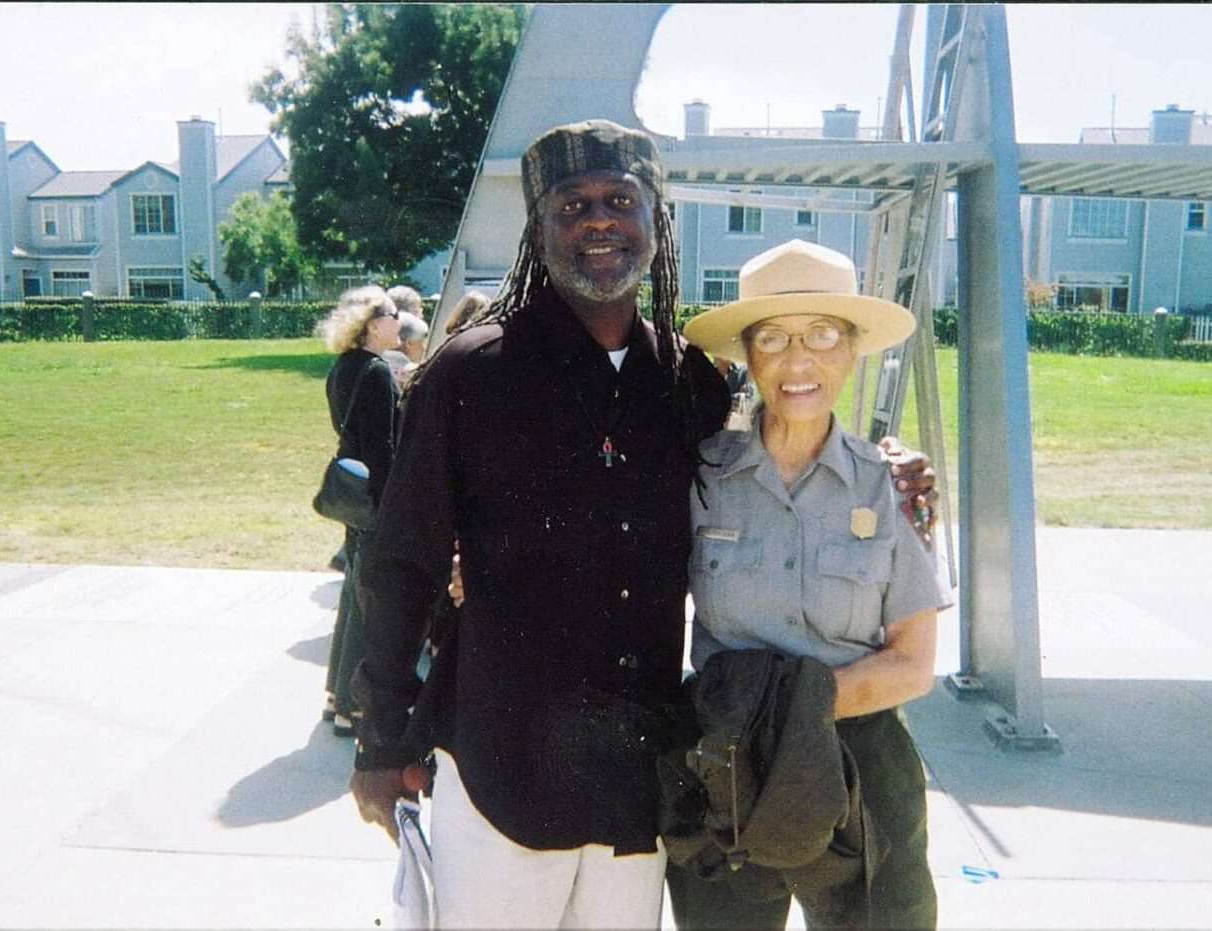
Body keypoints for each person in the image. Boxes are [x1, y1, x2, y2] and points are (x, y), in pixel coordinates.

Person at [347, 121, 936, 929]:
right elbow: (402, 562)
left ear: (655, 221)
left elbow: (770, 458)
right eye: (572, 203)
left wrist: (887, 469)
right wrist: (382, 739)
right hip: (500, 768)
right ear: (539, 226)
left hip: (642, 782)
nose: (599, 220)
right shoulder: (470, 374)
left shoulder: (686, 382)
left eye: (621, 200)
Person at [669, 238, 950, 930]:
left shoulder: (886, 484)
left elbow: (914, 661)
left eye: (824, 334)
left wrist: (794, 709)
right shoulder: (698, 478)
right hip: (725, 763)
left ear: (853, 349)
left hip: (859, 760)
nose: (799, 361)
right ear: (746, 355)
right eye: (773, 337)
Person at [316, 286, 401, 735]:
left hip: (352, 496)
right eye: (391, 314)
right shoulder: (377, 373)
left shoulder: (342, 369)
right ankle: (355, 706)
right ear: (371, 324)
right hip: (374, 501)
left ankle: (336, 694)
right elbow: (383, 450)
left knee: (353, 597)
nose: (399, 320)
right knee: (371, 603)